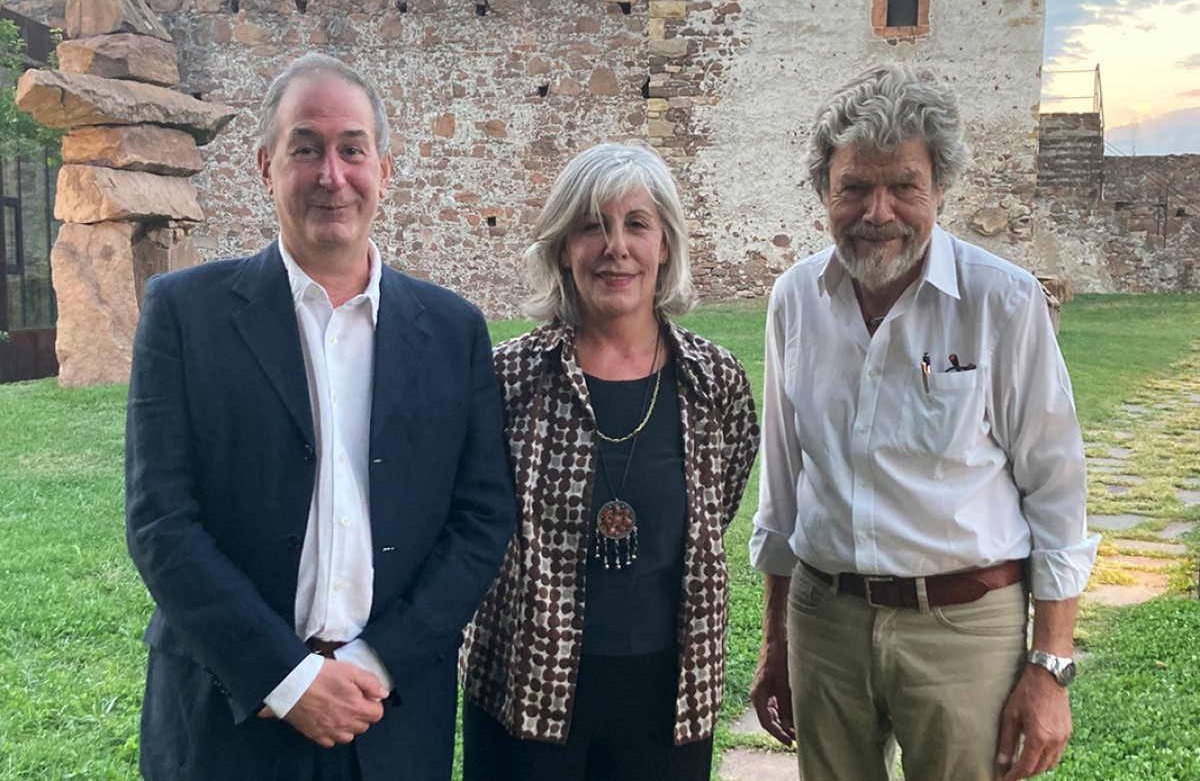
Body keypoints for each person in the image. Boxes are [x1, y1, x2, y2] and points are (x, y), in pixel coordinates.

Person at [125, 52, 515, 781]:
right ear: (266, 167)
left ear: (385, 170)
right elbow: (160, 522)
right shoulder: (184, 316)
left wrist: (376, 661)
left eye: (351, 149)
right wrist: (288, 677)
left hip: (390, 718)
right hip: (227, 716)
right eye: (305, 148)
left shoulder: (454, 330)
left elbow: (482, 519)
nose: (331, 174)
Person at [749, 63, 1097, 781]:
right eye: (855, 187)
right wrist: (775, 644)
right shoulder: (795, 300)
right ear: (825, 191)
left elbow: (1056, 490)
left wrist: (1050, 668)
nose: (878, 211)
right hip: (825, 621)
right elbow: (783, 490)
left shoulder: (1001, 303)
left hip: (964, 627)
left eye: (903, 185)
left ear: (940, 188)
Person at [460, 142, 759, 780]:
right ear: (564, 248)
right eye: (592, 225)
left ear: (666, 246)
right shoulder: (507, 379)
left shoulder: (714, 382)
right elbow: (472, 520)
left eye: (637, 225)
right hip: (526, 689)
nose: (615, 247)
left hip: (669, 695)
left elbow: (721, 496)